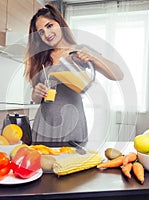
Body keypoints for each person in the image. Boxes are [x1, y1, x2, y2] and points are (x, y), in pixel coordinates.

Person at [24, 3, 123, 144]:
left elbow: (118, 75)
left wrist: (94, 57)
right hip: (44, 125)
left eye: (49, 26)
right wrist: (36, 93)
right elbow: (36, 99)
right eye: (41, 32)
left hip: (72, 125)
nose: (46, 34)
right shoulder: (42, 59)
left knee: (72, 164)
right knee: (42, 165)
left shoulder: (79, 51)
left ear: (60, 23)